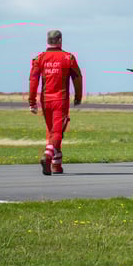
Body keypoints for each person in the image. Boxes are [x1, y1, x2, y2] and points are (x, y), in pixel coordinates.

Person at [29, 30, 83, 175]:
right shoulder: (68, 57)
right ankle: (47, 156)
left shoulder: (39, 58)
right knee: (58, 132)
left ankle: (56, 165)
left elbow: (33, 80)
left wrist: (32, 101)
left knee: (51, 132)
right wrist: (78, 97)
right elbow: (78, 77)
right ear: (60, 40)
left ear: (48, 40)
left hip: (45, 101)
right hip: (61, 99)